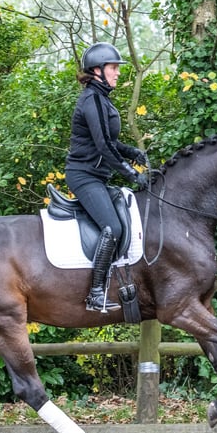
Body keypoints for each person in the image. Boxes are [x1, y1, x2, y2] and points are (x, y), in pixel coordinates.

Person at [65, 42, 148, 312]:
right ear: (98, 70)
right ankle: (95, 293)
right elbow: (103, 146)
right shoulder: (91, 99)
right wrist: (131, 174)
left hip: (96, 176)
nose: (118, 73)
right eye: (114, 68)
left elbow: (108, 141)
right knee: (112, 228)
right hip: (83, 176)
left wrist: (132, 152)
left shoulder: (101, 99)